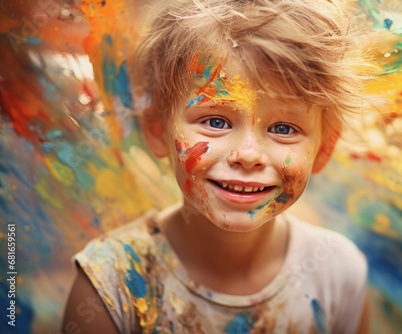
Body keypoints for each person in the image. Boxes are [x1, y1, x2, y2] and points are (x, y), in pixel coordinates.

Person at [63, 0, 371, 333]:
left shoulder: (339, 273)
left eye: (283, 128)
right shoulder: (110, 285)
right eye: (216, 120)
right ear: (156, 130)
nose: (248, 154)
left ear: (323, 149)